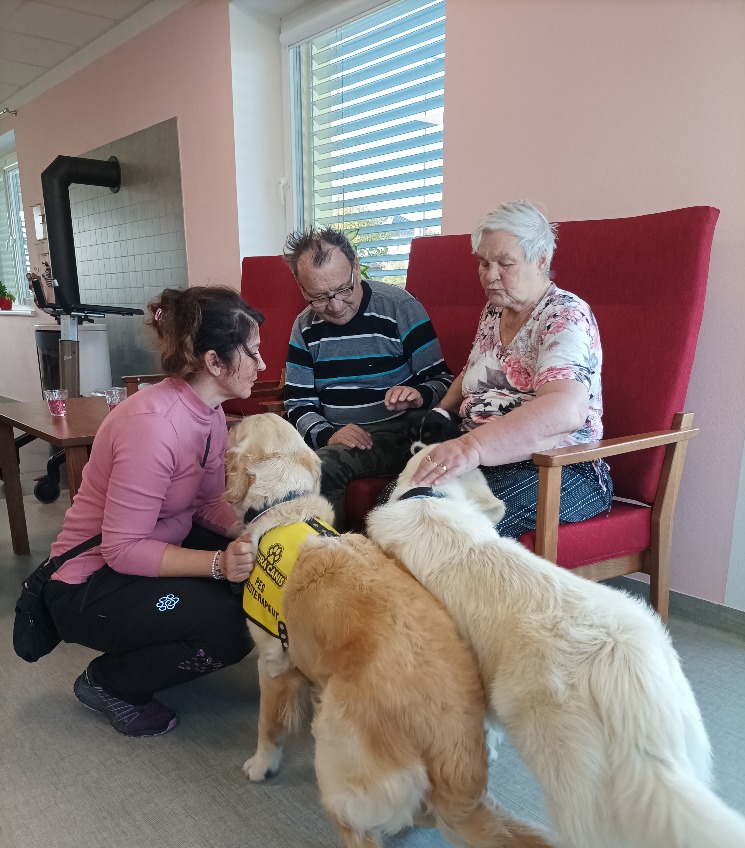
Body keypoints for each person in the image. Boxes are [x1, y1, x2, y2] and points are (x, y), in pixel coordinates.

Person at [43, 286, 264, 737]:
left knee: (256, 576)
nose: (262, 364)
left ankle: (166, 634)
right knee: (232, 629)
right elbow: (122, 549)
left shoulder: (210, 412)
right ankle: (108, 683)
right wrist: (219, 564)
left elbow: (206, 503)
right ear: (214, 362)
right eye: (253, 352)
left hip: (150, 548)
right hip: (87, 583)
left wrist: (257, 529)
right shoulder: (153, 426)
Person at [412, 200, 613, 537]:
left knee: (442, 527)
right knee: (396, 504)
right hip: (489, 458)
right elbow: (475, 370)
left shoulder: (565, 314)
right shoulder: (495, 310)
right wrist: (441, 412)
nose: (490, 276)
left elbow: (565, 409)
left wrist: (471, 447)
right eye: (484, 263)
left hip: (558, 467)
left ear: (541, 260)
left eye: (505, 263)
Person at [282, 227, 453, 526]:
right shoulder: (304, 326)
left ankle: (327, 550)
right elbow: (298, 402)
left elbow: (444, 381)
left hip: (397, 435)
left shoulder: (399, 307)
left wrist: (419, 395)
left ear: (356, 267)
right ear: (301, 288)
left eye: (344, 290)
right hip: (334, 436)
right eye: (319, 298)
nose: (335, 306)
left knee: (323, 466)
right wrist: (327, 434)